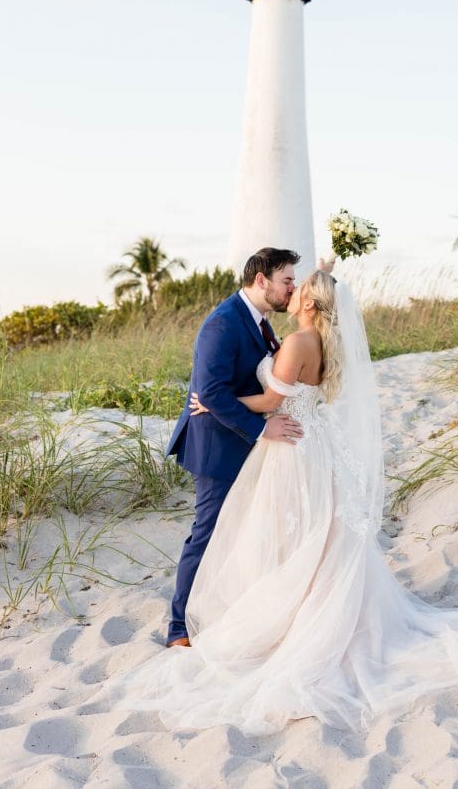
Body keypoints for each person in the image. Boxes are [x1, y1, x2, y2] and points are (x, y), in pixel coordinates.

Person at [110, 271, 458, 734]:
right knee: (311, 534)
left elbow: (274, 397)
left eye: (299, 288)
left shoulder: (296, 343)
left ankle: (273, 623)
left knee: (290, 535)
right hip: (310, 445)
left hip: (290, 448)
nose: (291, 292)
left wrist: (215, 402)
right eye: (288, 283)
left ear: (311, 304)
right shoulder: (321, 343)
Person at [163, 247, 303, 649]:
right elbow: (209, 392)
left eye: (293, 281)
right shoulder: (222, 324)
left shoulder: (259, 322)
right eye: (286, 280)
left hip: (244, 442)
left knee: (241, 532)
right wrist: (263, 430)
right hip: (217, 447)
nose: (290, 288)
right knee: (206, 534)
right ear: (261, 280)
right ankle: (179, 629)